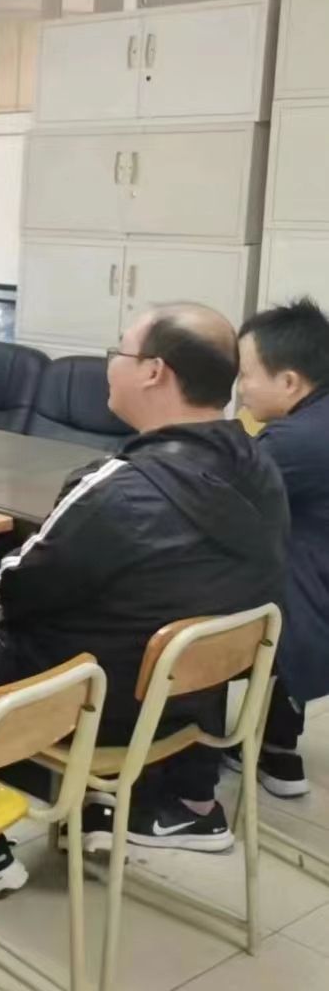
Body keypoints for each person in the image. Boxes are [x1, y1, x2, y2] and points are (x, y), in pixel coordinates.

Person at [0, 304, 288, 852]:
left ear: (154, 371)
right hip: (194, 699)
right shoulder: (261, 466)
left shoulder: (116, 489)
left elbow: (16, 587)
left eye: (118, 351)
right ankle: (163, 801)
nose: (110, 365)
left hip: (97, 706)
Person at [236, 297, 329, 798]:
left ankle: (189, 766)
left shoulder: (294, 441)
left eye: (247, 374)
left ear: (290, 381)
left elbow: (220, 501)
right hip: (318, 594)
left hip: (304, 607)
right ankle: (278, 745)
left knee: (190, 580)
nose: (241, 387)